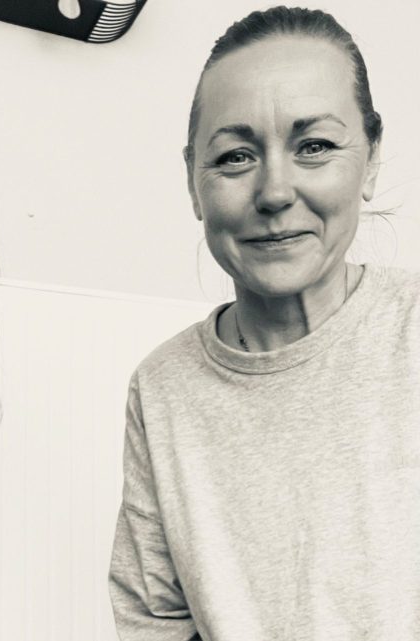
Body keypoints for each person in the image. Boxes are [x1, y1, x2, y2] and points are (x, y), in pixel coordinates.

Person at [109, 6, 420, 640]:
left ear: (371, 159)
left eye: (315, 147)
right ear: (193, 182)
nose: (275, 192)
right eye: (235, 156)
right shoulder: (162, 388)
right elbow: (154, 622)